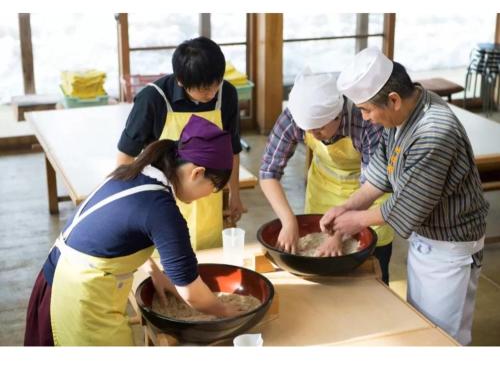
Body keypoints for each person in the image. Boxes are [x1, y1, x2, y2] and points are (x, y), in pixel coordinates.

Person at [320, 47, 489, 345]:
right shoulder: (401, 116)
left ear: (393, 99)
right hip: (428, 241)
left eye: (366, 110)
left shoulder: (433, 131)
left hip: (450, 246)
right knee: (424, 328)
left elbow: (407, 205)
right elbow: (380, 175)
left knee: (442, 340)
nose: (365, 118)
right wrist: (345, 207)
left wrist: (356, 221)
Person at [24, 116, 242, 346]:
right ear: (197, 173)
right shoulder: (161, 209)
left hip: (57, 276)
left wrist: (154, 271)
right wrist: (225, 311)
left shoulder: (137, 171)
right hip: (75, 293)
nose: (210, 195)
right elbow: (191, 293)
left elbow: (122, 229)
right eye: (214, 187)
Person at [259, 69, 394, 284]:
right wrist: (288, 221)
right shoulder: (296, 114)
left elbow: (373, 184)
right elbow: (268, 172)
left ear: (337, 115)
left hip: (367, 200)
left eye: (319, 128)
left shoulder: (367, 120)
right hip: (322, 193)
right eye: (307, 129)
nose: (312, 134)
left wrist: (338, 235)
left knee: (368, 280)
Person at [116, 36, 245, 251]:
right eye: (205, 90)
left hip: (207, 194)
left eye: (216, 84)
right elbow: (125, 155)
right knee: (168, 260)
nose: (212, 93)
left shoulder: (227, 94)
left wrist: (234, 194)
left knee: (206, 259)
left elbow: (232, 149)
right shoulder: (153, 99)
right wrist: (126, 205)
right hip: (162, 199)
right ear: (181, 81)